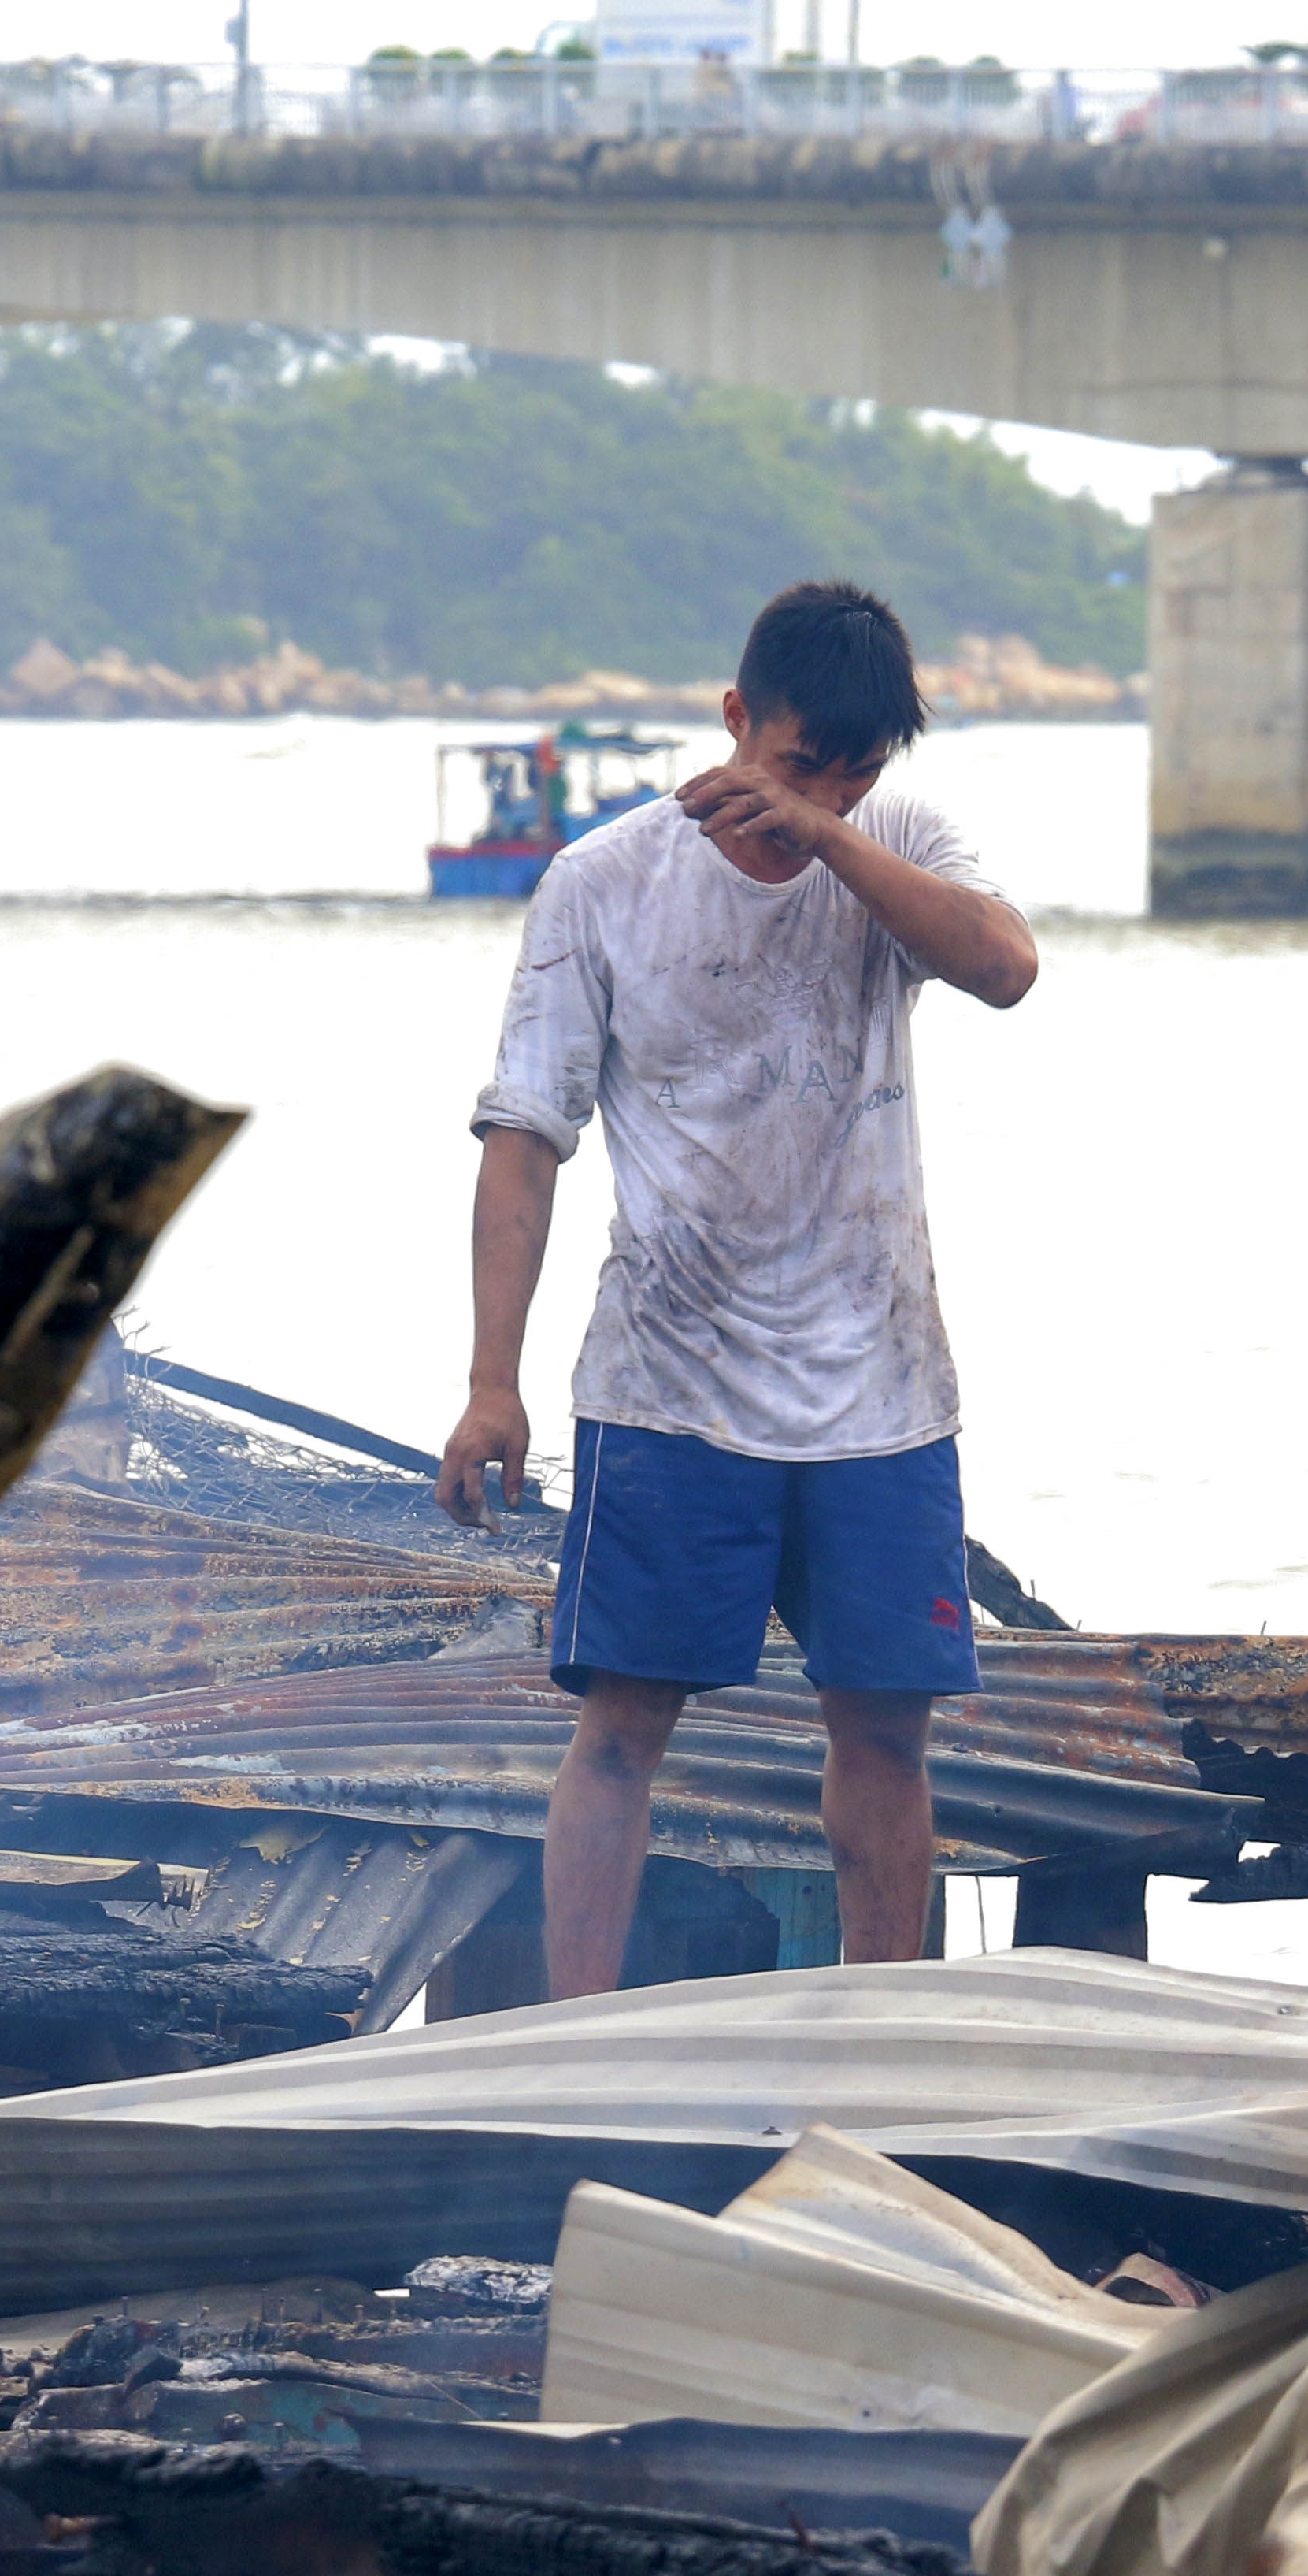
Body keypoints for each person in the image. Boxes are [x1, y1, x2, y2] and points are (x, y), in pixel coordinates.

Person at [438, 581, 1038, 1997]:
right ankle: (578, 2036)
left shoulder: (900, 849)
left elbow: (1005, 967)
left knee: (886, 1733)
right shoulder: (602, 881)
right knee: (623, 1724)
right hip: (670, 1378)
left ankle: (884, 2042)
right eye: (793, 764)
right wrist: (487, 1380)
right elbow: (523, 1141)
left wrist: (830, 834)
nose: (820, 792)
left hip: (878, 1385)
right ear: (730, 722)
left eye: (852, 770)